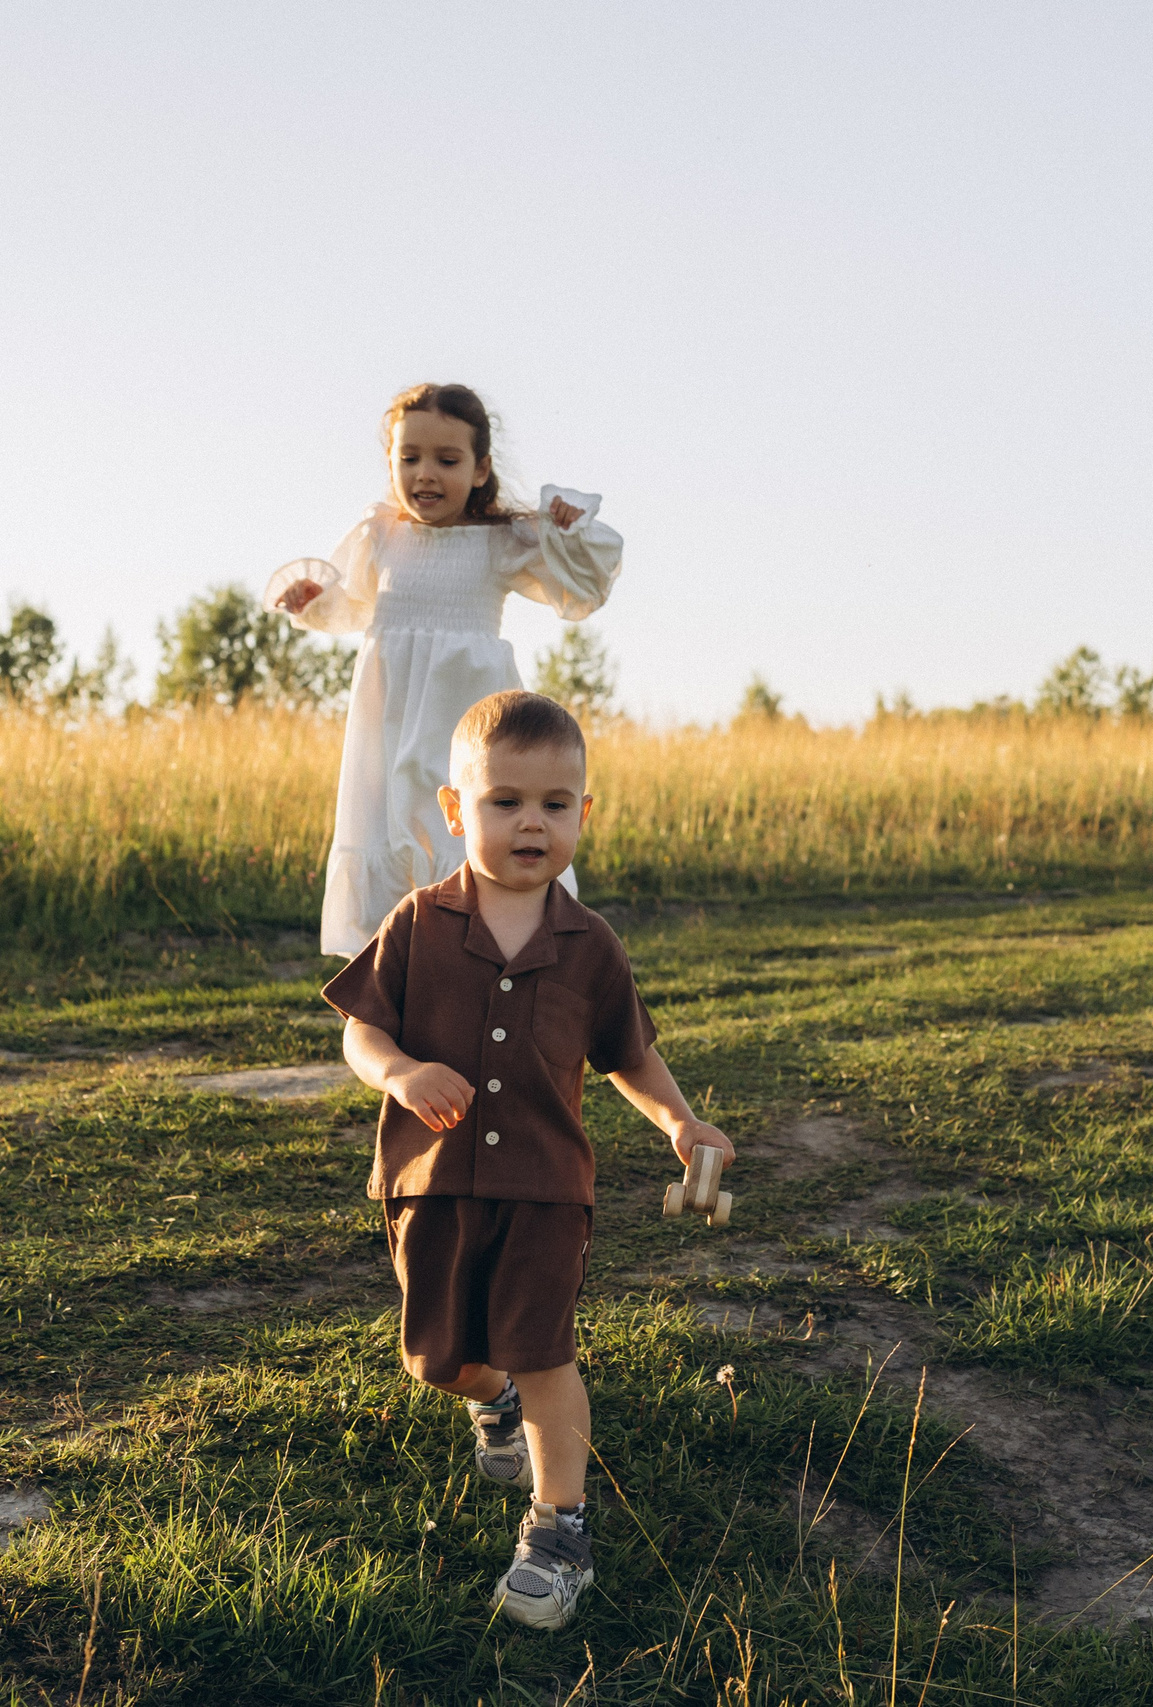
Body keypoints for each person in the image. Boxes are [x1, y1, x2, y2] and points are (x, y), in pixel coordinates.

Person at [322, 690, 733, 1633]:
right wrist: (401, 1071)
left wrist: (681, 1122)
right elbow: (360, 1033)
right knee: (438, 1359)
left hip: (549, 1189)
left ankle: (560, 1529)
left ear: (584, 815)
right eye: (505, 800)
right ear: (456, 810)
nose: (531, 822)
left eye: (555, 803)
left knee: (544, 1348)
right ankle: (491, 1399)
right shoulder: (419, 923)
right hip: (430, 1183)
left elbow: (628, 1054)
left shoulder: (592, 947)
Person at [270, 382, 624, 956]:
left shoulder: (499, 541)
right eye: (409, 458)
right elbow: (348, 603)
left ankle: (487, 964)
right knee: (389, 827)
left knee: (459, 826)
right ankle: (400, 982)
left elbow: (582, 588)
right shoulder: (380, 536)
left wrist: (569, 528)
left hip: (466, 718)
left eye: (447, 459)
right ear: (391, 463)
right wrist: (310, 600)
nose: (425, 474)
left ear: (481, 469)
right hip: (389, 718)